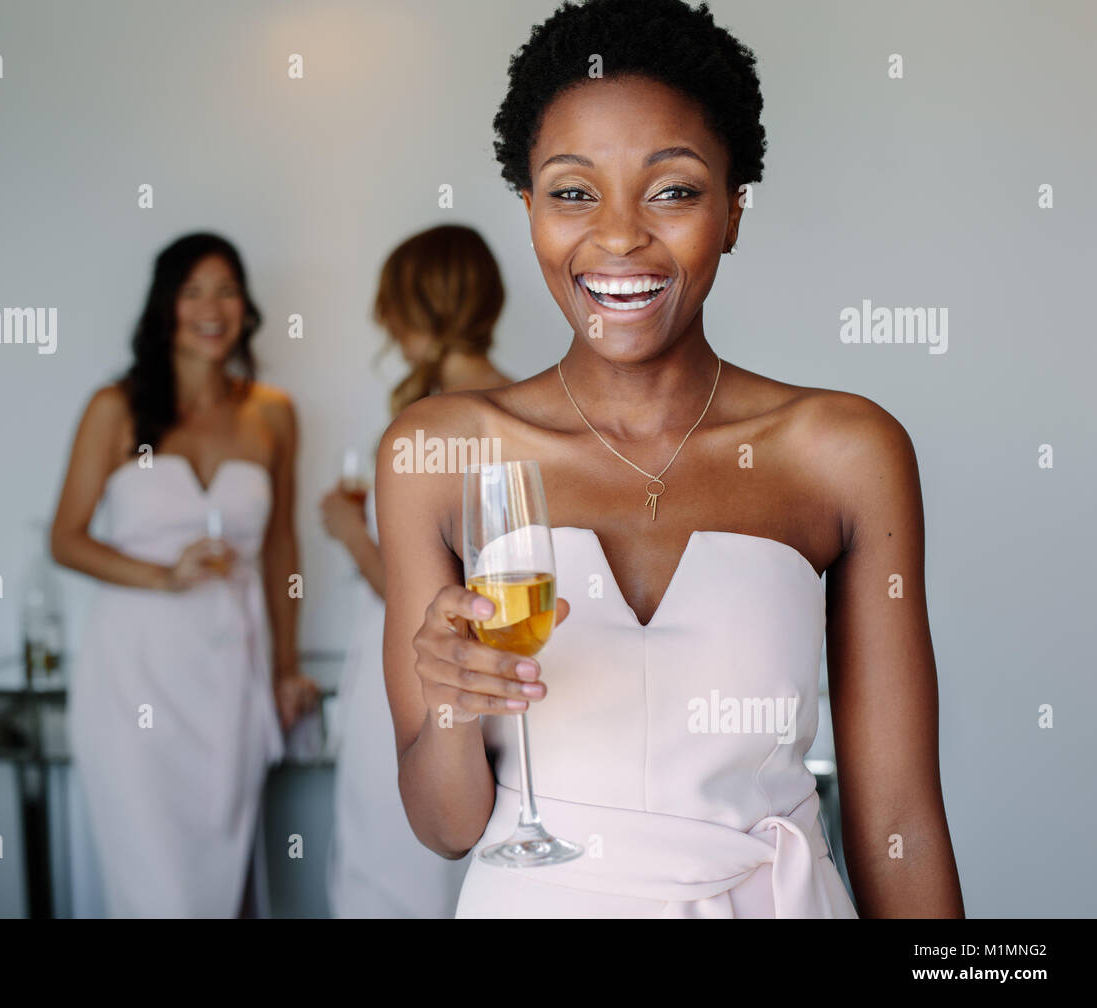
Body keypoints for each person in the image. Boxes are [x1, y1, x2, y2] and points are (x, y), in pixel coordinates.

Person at [378, 0, 964, 918]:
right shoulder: (438, 452)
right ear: (528, 209)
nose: (618, 237)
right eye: (573, 192)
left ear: (733, 211)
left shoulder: (844, 452)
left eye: (673, 190)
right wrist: (450, 700)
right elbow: (447, 824)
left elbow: (899, 818)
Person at [51, 232, 319, 917]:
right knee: (156, 888)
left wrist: (286, 667)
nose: (212, 306)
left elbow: (283, 548)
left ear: (246, 306)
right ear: (164, 306)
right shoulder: (113, 407)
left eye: (226, 289)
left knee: (222, 880)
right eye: (193, 290)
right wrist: (165, 576)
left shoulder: (273, 414)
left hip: (231, 670)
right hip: (134, 674)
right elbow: (67, 540)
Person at [322, 225, 511, 917]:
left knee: (391, 871)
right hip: (497, 687)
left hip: (409, 680)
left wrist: (349, 533)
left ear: (412, 310)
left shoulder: (425, 428)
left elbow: (433, 600)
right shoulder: (535, 413)